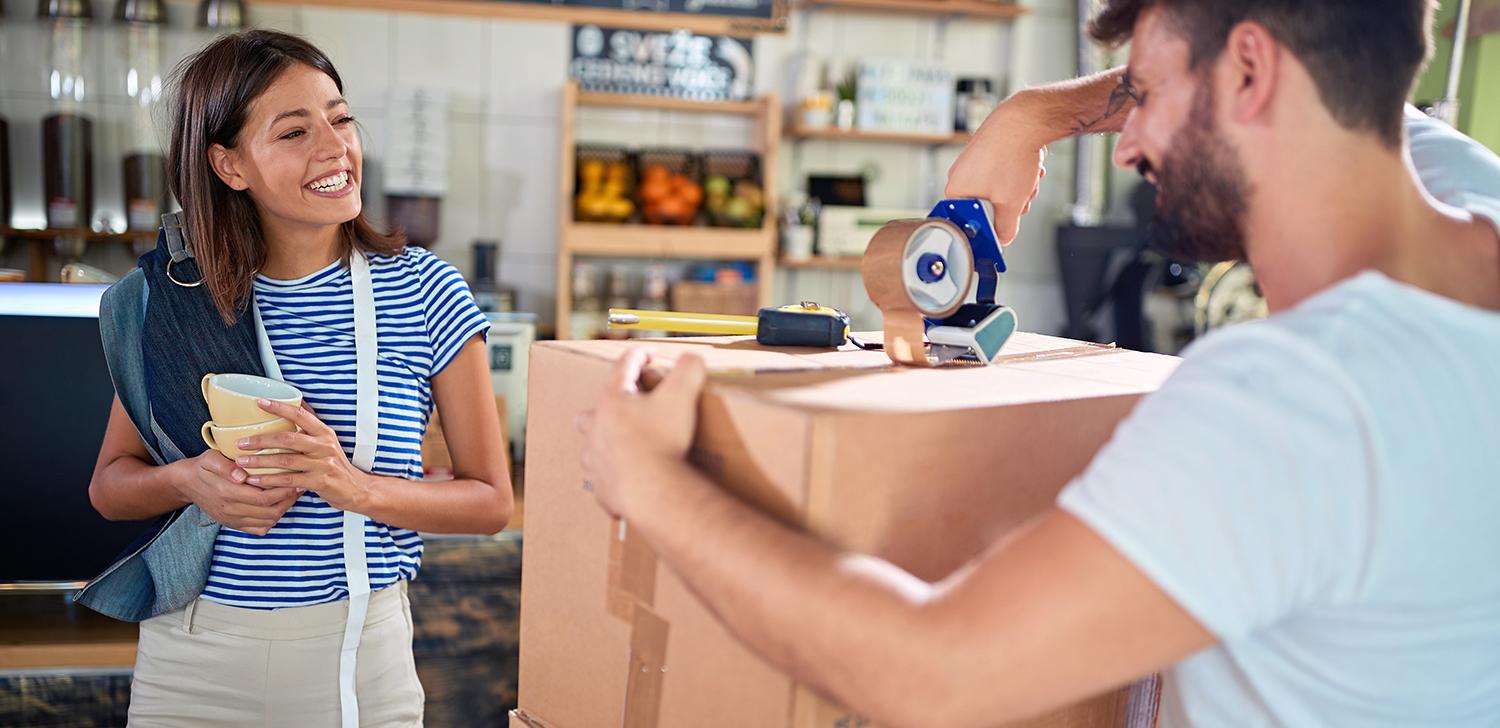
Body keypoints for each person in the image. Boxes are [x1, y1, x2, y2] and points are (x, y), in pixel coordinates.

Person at [576, 1, 1500, 725]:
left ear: (1252, 69)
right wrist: (1031, 118)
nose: (1128, 139)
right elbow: (1360, 93)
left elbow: (929, 672)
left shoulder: (1301, 396)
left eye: (1143, 94)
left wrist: (649, 482)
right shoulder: (1469, 204)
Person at [86, 30, 513, 726]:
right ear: (229, 165)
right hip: (192, 658)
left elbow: (491, 501)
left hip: (358, 656)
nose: (334, 147)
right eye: (293, 131)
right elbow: (110, 486)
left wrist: (351, 487)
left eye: (340, 119)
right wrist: (190, 480)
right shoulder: (179, 299)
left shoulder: (424, 291)